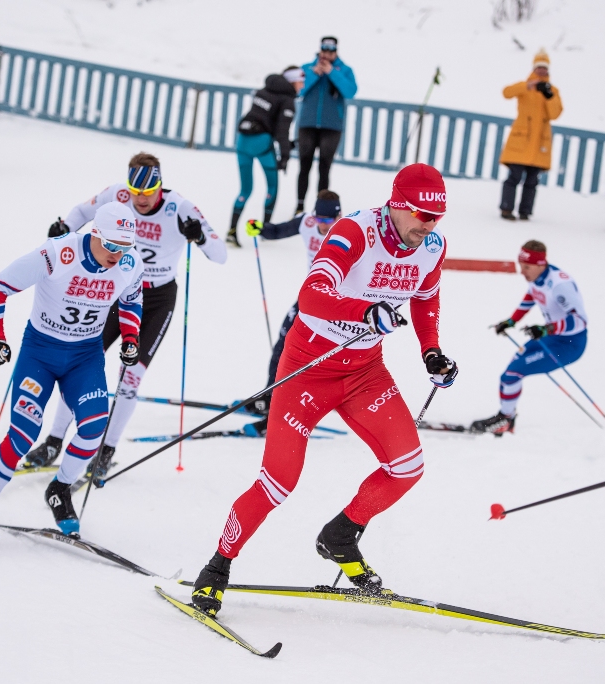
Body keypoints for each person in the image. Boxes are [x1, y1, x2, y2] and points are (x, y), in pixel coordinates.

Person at [191, 164, 459, 616]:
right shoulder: (355, 230)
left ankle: (340, 535)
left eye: (437, 217)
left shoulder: (431, 245)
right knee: (278, 483)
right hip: (307, 369)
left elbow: (425, 298)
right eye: (421, 215)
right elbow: (313, 293)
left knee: (407, 467)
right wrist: (365, 311)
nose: (429, 226)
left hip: (364, 370)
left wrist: (431, 351)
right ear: (397, 204)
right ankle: (217, 566)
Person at [0, 203, 144, 547]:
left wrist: (130, 338)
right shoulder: (59, 253)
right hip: (40, 353)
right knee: (23, 435)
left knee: (95, 426)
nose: (117, 254)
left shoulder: (129, 263)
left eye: (125, 247)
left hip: (85, 357)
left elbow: (130, 300)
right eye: (112, 245)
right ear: (95, 233)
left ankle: (60, 487)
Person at [21, 153, 226, 474]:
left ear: (161, 185)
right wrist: (65, 227)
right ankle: (53, 441)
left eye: (149, 191)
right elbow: (80, 212)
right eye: (135, 191)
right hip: (114, 291)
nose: (141, 199)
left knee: (131, 376)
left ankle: (105, 451)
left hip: (157, 299)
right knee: (77, 364)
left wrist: (198, 235)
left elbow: (221, 254)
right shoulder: (116, 195)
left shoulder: (180, 207)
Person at [242, 189, 342, 430]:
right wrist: (260, 228)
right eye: (320, 219)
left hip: (339, 303)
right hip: (311, 297)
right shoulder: (307, 222)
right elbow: (279, 230)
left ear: (338, 217)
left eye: (328, 221)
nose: (323, 225)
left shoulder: (349, 230)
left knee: (316, 356)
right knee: (285, 342)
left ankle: (304, 405)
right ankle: (269, 396)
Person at [470, 240, 587, 435]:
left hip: (570, 345)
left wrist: (547, 328)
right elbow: (532, 297)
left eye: (526, 267)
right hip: (551, 337)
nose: (522, 272)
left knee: (512, 375)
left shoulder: (560, 285)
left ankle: (506, 421)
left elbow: (580, 321)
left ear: (540, 264)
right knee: (511, 371)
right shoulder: (538, 278)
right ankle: (506, 417)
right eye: (520, 265)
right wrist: (510, 321)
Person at [227, 67, 303, 247]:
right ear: (293, 81)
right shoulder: (287, 100)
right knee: (272, 186)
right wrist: (284, 156)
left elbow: (265, 119)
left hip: (242, 140)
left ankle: (231, 231)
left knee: (245, 189)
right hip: (261, 143)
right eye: (301, 80)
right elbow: (282, 131)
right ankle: (266, 231)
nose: (303, 84)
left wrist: (285, 145)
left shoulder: (265, 90)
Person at [295, 36, 357, 215]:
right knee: (304, 165)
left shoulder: (344, 70)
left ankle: (321, 208)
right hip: (308, 123)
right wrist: (315, 73)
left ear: (336, 52)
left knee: (324, 167)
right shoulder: (307, 68)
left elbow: (350, 91)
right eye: (324, 50)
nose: (327, 54)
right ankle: (299, 206)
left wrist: (332, 72)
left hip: (332, 126)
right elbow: (300, 89)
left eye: (330, 51)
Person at [498, 50, 562, 221]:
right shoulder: (525, 86)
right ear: (534, 68)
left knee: (532, 181)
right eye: (539, 67)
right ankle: (506, 208)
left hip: (540, 142)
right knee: (514, 176)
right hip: (522, 141)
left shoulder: (553, 91)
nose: (542, 70)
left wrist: (549, 96)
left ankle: (525, 212)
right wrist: (527, 86)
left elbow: (555, 114)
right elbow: (506, 92)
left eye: (544, 68)